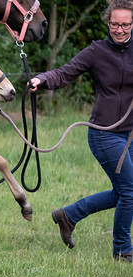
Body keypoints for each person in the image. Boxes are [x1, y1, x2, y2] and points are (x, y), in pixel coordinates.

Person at [29, 0, 133, 263]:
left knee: (123, 192)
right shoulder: (96, 51)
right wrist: (42, 79)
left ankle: (69, 215)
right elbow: (65, 73)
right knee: (130, 192)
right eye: (114, 24)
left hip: (131, 133)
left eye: (125, 24)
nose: (119, 29)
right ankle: (122, 248)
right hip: (103, 133)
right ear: (107, 22)